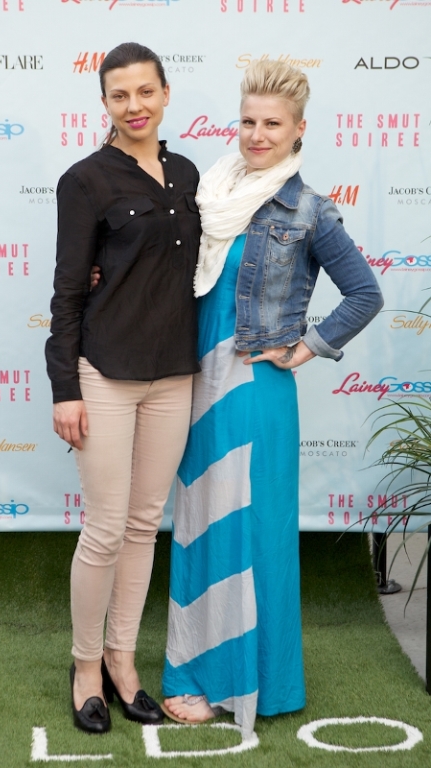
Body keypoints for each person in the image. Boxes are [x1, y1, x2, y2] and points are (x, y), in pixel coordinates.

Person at [161, 59, 383, 738]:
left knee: (249, 532)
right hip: (195, 379)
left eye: (273, 125)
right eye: (249, 121)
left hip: (254, 389)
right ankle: (195, 670)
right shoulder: (211, 192)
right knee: (200, 522)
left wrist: (305, 348)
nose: (257, 135)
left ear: (298, 130)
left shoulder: (307, 209)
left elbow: (365, 294)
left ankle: (251, 682)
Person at [45, 42, 201, 734]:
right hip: (104, 373)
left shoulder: (188, 174)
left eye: (145, 91)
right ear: (104, 102)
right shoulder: (84, 180)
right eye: (119, 95)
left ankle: (121, 659)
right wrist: (65, 387)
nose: (134, 106)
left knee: (144, 525)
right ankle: (85, 667)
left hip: (174, 374)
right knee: (105, 529)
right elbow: (68, 291)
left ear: (165, 93)